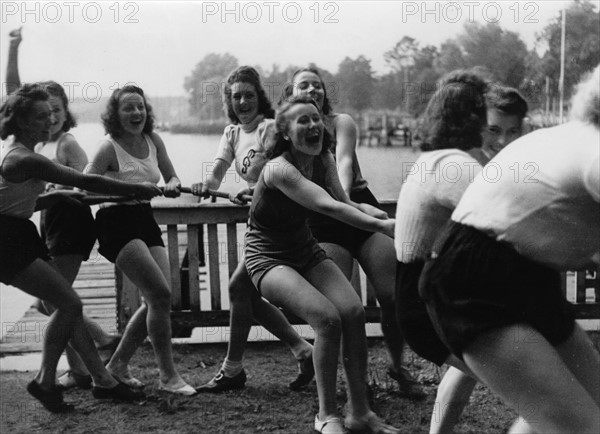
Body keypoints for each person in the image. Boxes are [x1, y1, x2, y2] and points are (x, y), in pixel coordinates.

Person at [419, 65, 600, 433]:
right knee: (581, 427)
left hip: (526, 270)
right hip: (475, 280)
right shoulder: (592, 151)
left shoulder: (575, 136)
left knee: (581, 411)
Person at [244, 95, 399, 434]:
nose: (314, 125)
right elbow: (326, 207)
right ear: (285, 132)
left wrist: (373, 213)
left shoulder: (323, 157)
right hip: (267, 259)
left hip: (305, 249)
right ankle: (327, 415)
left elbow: (341, 200)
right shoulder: (278, 170)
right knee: (327, 320)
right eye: (303, 121)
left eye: (316, 118)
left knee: (354, 311)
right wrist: (382, 227)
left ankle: (360, 413)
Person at [0, 84, 159, 412]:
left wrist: (54, 197)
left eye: (52, 115)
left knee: (63, 303)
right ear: (22, 121)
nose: (49, 122)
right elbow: (87, 180)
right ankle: (48, 381)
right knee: (67, 303)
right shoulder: (25, 157)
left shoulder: (16, 151)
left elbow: (14, 204)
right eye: (41, 117)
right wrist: (135, 188)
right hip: (8, 239)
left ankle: (74, 380)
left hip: (16, 232)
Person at [395, 72, 532, 433]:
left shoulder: (444, 158)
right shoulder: (457, 166)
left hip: (437, 295)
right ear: (471, 120)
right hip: (430, 303)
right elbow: (512, 227)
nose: (499, 138)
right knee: (538, 391)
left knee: (467, 373)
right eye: (489, 125)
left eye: (511, 131)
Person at [284, 67, 425, 399]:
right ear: (291, 93)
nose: (312, 90)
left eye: (317, 86)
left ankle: (396, 365)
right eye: (303, 85)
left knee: (392, 295)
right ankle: (357, 384)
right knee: (346, 307)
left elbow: (343, 160)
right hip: (321, 219)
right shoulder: (286, 133)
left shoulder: (341, 122)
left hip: (356, 206)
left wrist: (345, 201)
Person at [5, 27, 120, 390]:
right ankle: (91, 368)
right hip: (41, 223)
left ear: (63, 112)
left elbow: (88, 181)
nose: (51, 117)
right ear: (31, 114)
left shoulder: (63, 144)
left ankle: (85, 368)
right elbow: (14, 94)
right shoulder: (29, 145)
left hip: (69, 223)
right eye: (44, 111)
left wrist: (124, 192)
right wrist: (13, 48)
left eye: (56, 110)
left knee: (56, 302)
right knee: (57, 302)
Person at [191, 66, 314, 392]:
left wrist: (256, 187)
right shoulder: (232, 133)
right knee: (241, 291)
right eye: (236, 97)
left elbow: (282, 172)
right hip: (259, 224)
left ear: (258, 96)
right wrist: (207, 185)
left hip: (281, 223)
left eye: (248, 94)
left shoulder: (269, 129)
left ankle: (236, 369)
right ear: (230, 102)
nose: (243, 101)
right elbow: (218, 170)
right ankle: (302, 351)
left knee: (239, 288)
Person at [86, 85, 196, 396]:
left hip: (144, 217)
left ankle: (117, 366)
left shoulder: (153, 140)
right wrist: (131, 190)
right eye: (128, 108)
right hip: (114, 222)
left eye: (140, 107)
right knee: (159, 294)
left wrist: (173, 185)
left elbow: (171, 176)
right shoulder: (106, 148)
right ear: (114, 115)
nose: (136, 113)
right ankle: (168, 376)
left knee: (158, 299)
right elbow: (85, 190)